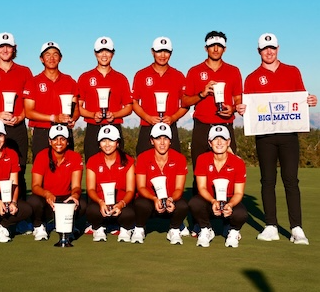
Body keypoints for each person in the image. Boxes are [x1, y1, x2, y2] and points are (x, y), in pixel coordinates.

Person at [237, 33, 317, 245]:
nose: (269, 52)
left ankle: (296, 228)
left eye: (272, 48)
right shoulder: (252, 77)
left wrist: (309, 100)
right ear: (259, 51)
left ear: (278, 48)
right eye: (265, 49)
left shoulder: (292, 71)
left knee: (291, 180)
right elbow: (249, 109)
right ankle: (270, 225)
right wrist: (242, 109)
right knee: (268, 180)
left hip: (289, 136)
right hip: (265, 137)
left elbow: (300, 98)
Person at [182, 31, 242, 195]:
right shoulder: (195, 71)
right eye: (212, 46)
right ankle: (199, 219)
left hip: (226, 125)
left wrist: (233, 108)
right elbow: (185, 101)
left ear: (225, 49)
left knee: (229, 171)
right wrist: (201, 94)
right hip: (202, 127)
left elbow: (238, 99)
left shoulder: (233, 71)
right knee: (199, 173)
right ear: (205, 48)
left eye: (219, 46)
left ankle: (229, 218)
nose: (215, 49)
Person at [0, 32, 33, 201]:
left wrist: (21, 117)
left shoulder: (24, 72)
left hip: (17, 128)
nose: (5, 49)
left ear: (14, 48)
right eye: (1, 46)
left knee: (19, 171)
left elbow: (29, 103)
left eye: (8, 46)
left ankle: (20, 212)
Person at [188, 125, 248, 248]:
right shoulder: (202, 159)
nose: (219, 142)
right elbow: (202, 188)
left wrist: (230, 205)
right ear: (210, 142)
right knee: (195, 203)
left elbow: (238, 193)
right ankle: (206, 229)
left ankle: (233, 231)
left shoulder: (238, 162)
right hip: (210, 200)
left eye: (223, 139)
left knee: (241, 214)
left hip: (229, 199)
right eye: (215, 139)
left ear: (229, 142)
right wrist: (213, 201)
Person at [77, 37, 132, 162]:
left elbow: (129, 107)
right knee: (92, 165)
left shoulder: (121, 78)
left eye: (107, 51)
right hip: (93, 128)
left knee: (118, 166)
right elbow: (78, 107)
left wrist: (115, 114)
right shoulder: (85, 77)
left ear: (113, 53)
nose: (104, 55)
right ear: (95, 53)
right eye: (100, 51)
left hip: (115, 126)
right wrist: (92, 114)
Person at [27, 125, 86, 241]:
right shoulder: (41, 156)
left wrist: (75, 195)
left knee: (82, 204)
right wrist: (46, 194)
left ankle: (69, 225)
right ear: (50, 141)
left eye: (62, 139)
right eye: (55, 139)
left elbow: (76, 186)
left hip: (65, 199)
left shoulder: (75, 157)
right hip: (47, 199)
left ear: (68, 141)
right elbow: (35, 186)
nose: (58, 142)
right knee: (33, 201)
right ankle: (39, 225)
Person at [133, 123, 188, 244]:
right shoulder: (143, 157)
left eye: (166, 138)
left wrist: (171, 199)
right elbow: (141, 187)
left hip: (169, 201)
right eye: (158, 138)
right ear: (152, 141)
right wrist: (154, 199)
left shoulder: (179, 158)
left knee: (183, 206)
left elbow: (179, 188)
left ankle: (174, 229)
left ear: (170, 141)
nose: (162, 143)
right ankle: (139, 228)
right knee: (140, 204)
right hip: (150, 201)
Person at [132, 36, 188, 155]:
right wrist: (148, 118)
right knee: (143, 167)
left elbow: (185, 104)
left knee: (173, 166)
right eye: (159, 51)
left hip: (170, 127)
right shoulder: (141, 75)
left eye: (166, 51)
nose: (162, 55)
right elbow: (134, 102)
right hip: (147, 127)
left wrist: (173, 118)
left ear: (171, 53)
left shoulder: (178, 76)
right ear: (152, 51)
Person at [24, 41, 80, 160]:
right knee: (41, 173)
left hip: (65, 130)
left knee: (66, 172)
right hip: (42, 132)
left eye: (55, 54)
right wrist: (53, 118)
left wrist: (72, 119)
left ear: (60, 58)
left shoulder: (70, 81)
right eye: (47, 54)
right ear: (41, 59)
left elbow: (76, 110)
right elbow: (28, 112)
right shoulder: (33, 82)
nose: (51, 58)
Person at [86, 125, 135, 242]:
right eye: (103, 140)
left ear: (117, 143)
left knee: (129, 214)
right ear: (99, 144)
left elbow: (130, 190)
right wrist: (100, 202)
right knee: (91, 211)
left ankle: (125, 228)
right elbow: (91, 189)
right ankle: (98, 228)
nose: (107, 144)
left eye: (111, 140)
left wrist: (121, 204)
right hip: (101, 204)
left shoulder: (128, 161)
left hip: (120, 204)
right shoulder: (92, 161)